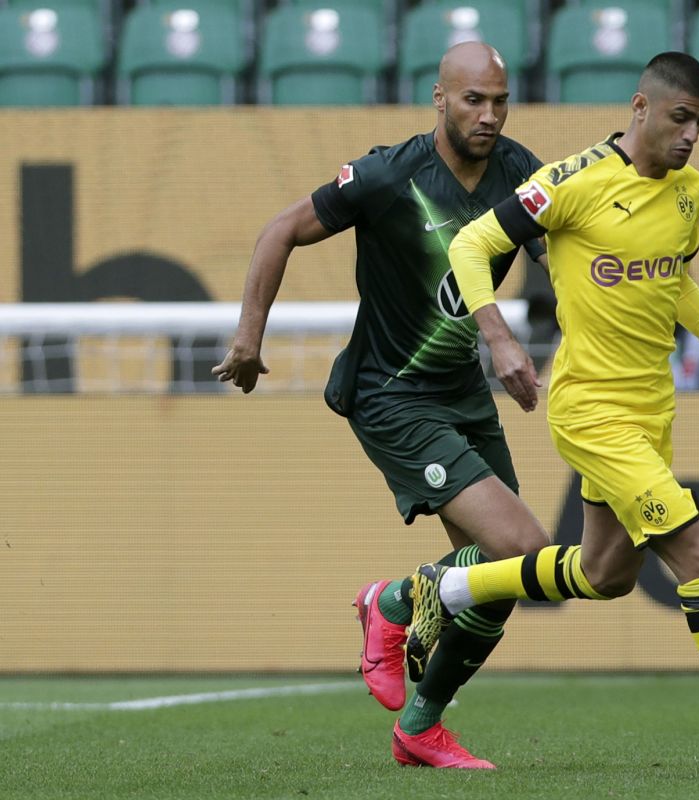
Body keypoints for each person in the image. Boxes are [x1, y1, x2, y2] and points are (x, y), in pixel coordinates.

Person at [406, 51, 699, 779]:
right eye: (681, 118)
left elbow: (671, 276)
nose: (691, 136)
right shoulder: (570, 183)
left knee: (606, 571)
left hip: (653, 410)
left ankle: (446, 586)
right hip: (590, 410)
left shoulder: (689, 191)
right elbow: (470, 243)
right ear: (640, 108)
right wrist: (498, 336)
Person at [211, 42, 551, 770]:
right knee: (522, 550)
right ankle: (393, 601)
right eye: (473, 101)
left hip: (463, 392)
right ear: (439, 99)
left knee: (510, 571)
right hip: (391, 394)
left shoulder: (521, 172)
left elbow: (564, 255)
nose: (488, 115)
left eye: (499, 101)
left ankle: (420, 728)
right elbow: (281, 230)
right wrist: (247, 340)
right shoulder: (388, 175)